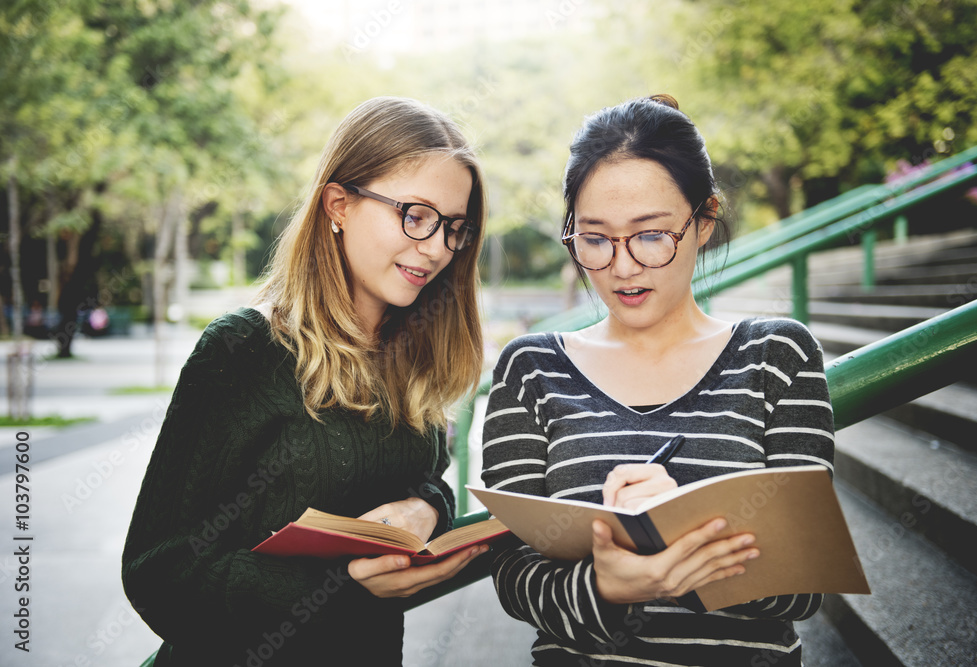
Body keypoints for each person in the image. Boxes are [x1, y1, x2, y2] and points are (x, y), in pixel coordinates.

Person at [122, 96, 490, 666]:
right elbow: (158, 569)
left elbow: (417, 483)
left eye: (455, 228)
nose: (438, 247)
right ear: (338, 204)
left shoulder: (409, 357)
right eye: (416, 215)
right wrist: (344, 588)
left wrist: (430, 510)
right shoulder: (242, 351)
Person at [481, 94, 834, 666]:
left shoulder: (778, 357)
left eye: (650, 235)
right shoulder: (531, 369)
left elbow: (804, 584)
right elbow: (515, 574)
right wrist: (606, 588)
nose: (621, 268)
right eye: (594, 239)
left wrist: (680, 528)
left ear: (705, 221)